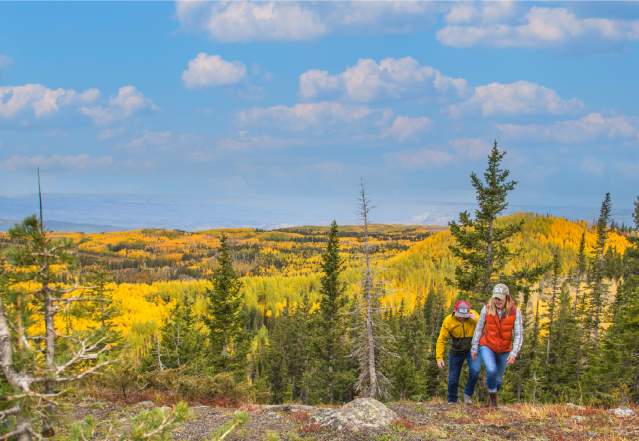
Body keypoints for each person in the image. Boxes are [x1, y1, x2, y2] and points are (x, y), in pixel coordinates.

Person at [471, 283, 523, 407]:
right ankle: (494, 403)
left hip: (504, 349)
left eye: (500, 298)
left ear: (507, 297)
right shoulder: (487, 308)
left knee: (498, 380)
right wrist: (474, 347)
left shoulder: (515, 312)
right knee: (491, 369)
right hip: (487, 345)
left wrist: (514, 353)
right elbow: (479, 328)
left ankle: (491, 398)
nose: (497, 301)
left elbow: (518, 334)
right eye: (495, 298)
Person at [436, 299, 481, 404]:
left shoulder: (473, 315)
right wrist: (439, 357)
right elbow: (441, 339)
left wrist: (476, 320)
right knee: (453, 378)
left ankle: (467, 394)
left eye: (463, 315)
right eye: (459, 315)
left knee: (475, 372)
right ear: (454, 311)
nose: (461, 317)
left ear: (468, 312)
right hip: (456, 351)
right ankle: (452, 401)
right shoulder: (448, 320)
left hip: (471, 350)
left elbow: (485, 326)